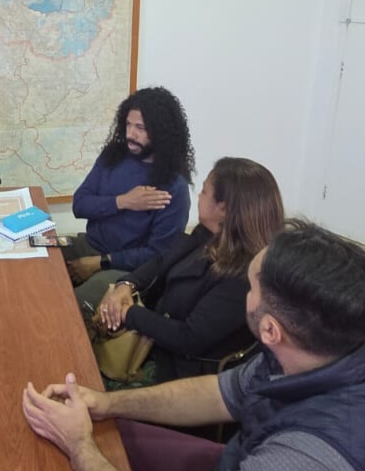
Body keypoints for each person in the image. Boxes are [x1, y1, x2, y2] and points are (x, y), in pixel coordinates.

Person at [23, 220, 365, 471]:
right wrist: (106, 403)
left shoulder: (310, 469)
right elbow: (220, 394)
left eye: (250, 286)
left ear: (270, 330)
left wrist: (78, 446)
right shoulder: (322, 346)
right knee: (102, 440)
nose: (243, 290)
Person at [96, 157, 284, 386]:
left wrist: (127, 314)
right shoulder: (206, 235)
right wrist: (126, 285)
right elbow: (161, 262)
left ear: (223, 208)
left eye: (204, 191)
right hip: (153, 341)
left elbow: (188, 338)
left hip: (181, 374)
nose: (199, 196)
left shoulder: (243, 277)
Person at [66, 86, 193, 308]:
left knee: (71, 306)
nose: (130, 134)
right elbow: (80, 205)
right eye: (128, 125)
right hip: (89, 244)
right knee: (37, 258)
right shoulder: (113, 156)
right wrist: (123, 201)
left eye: (141, 128)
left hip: (126, 270)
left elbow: (157, 256)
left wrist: (100, 263)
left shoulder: (174, 187)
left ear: (161, 133)